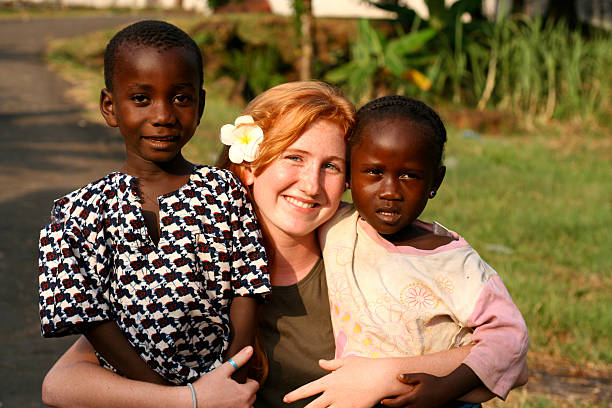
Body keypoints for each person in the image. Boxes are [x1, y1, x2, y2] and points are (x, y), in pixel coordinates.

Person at [41, 82, 523, 408]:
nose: (310, 184)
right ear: (250, 165)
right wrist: (187, 401)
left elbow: (508, 359)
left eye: (331, 166)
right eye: (294, 157)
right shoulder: (197, 256)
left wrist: (386, 374)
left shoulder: (366, 250)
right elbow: (61, 384)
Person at [38, 20, 269, 406]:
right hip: (133, 394)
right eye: (142, 99)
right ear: (110, 107)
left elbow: (248, 288)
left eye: (180, 98)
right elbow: (89, 316)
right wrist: (172, 398)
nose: (163, 115)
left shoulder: (225, 192)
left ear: (201, 104)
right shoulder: (78, 214)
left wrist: (232, 374)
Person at [284, 95, 529, 408]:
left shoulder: (456, 262)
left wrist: (445, 387)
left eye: (409, 175)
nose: (390, 191)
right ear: (347, 175)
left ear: (435, 181)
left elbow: (509, 338)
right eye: (373, 172)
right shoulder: (338, 225)